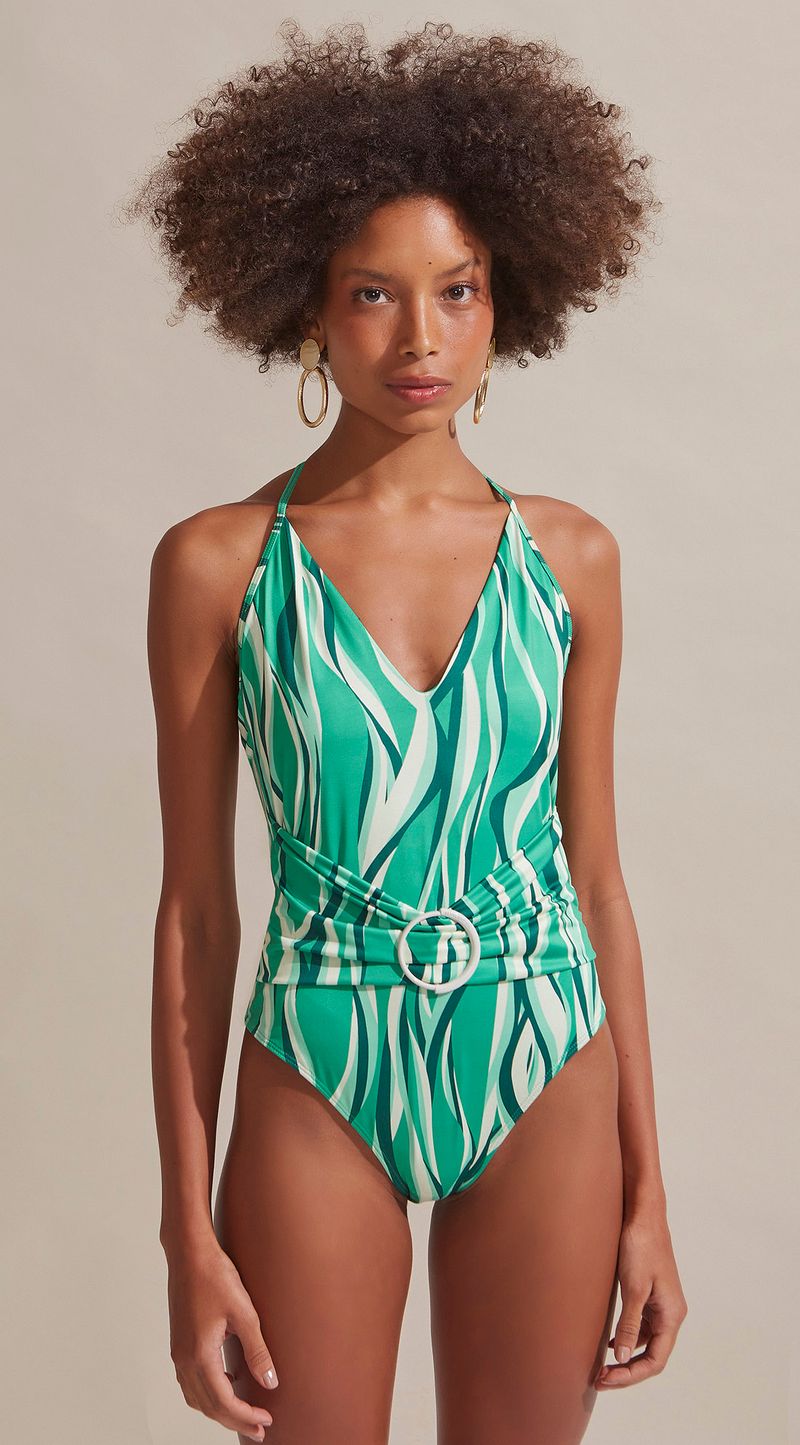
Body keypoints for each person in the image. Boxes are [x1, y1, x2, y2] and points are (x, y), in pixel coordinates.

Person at [131, 18, 687, 1444]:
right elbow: (198, 912)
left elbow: (598, 879)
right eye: (373, 293)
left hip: (544, 1051)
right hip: (319, 1058)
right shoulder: (219, 564)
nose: (420, 338)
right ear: (309, 310)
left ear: (509, 305)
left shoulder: (572, 559)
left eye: (459, 290)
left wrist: (649, 1194)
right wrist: (185, 1233)